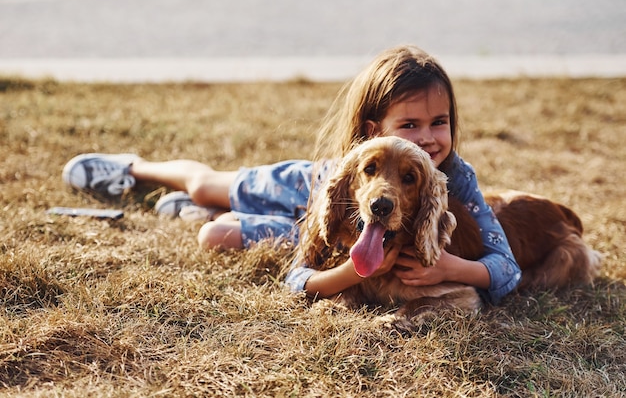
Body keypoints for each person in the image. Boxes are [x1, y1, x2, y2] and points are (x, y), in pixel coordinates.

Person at [63, 45, 521, 305]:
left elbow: (507, 267)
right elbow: (300, 279)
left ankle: (195, 213)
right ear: (370, 133)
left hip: (294, 229)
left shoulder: (455, 178)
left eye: (438, 122)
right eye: (408, 125)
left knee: (216, 235)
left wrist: (453, 268)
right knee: (206, 183)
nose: (427, 139)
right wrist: (351, 272)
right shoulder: (341, 178)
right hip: (302, 190)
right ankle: (134, 168)